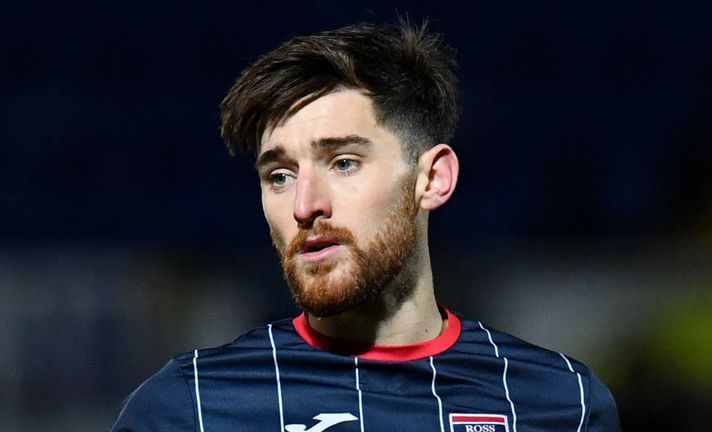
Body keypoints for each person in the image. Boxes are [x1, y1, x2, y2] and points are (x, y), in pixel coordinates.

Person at [112, 19, 621, 432]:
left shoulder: (562, 406)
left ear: (432, 179)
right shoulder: (189, 409)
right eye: (280, 175)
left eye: (343, 163)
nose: (305, 206)